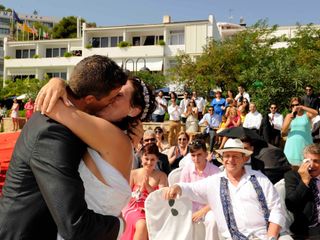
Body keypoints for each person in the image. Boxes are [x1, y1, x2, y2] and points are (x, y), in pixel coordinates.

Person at [0, 55, 129, 240]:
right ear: (90, 99)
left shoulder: (68, 121)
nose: (113, 101)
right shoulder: (53, 133)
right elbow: (74, 225)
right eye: (111, 98)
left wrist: (58, 81)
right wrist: (120, 225)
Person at [164, 138, 291, 240]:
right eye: (227, 156)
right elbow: (191, 188)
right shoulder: (215, 181)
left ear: (244, 158)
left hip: (266, 235)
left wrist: (271, 236)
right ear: (222, 159)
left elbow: (276, 209)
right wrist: (177, 187)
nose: (231, 160)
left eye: (235, 156)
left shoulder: (259, 179)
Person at [121, 143, 168, 240]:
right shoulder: (133, 174)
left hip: (154, 209)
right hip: (133, 207)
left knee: (146, 223)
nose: (149, 162)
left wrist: (148, 187)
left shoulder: (162, 176)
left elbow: (163, 199)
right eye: (146, 159)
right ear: (141, 158)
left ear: (157, 160)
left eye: (152, 160)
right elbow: (126, 197)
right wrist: (141, 189)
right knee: (142, 224)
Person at [179, 139, 220, 240]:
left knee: (213, 220)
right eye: (193, 155)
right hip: (189, 207)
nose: (196, 158)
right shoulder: (187, 169)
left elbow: (218, 198)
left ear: (206, 154)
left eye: (199, 154)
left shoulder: (216, 171)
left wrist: (202, 211)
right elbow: (181, 192)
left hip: (210, 208)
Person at [285, 144, 320, 239]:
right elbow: (291, 204)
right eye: (308, 161)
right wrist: (304, 181)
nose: (311, 165)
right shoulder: (292, 176)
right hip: (307, 229)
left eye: (316, 161)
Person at [282, 97, 318, 166]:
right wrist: (291, 117)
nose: (295, 107)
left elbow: (316, 113)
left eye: (297, 105)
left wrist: (302, 107)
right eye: (293, 105)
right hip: (292, 145)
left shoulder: (307, 114)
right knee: (291, 167)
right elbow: (283, 131)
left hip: (305, 144)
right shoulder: (289, 116)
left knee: (307, 165)